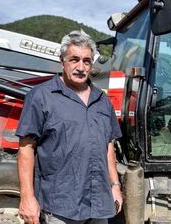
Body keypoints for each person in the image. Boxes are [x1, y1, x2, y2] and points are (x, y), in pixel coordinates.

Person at [16, 30, 123, 224]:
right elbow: (26, 148)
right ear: (62, 61)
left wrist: (115, 186)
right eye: (74, 59)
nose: (81, 67)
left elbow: (108, 145)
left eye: (87, 61)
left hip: (98, 203)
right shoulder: (42, 96)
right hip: (60, 206)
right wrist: (27, 197)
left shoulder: (102, 100)